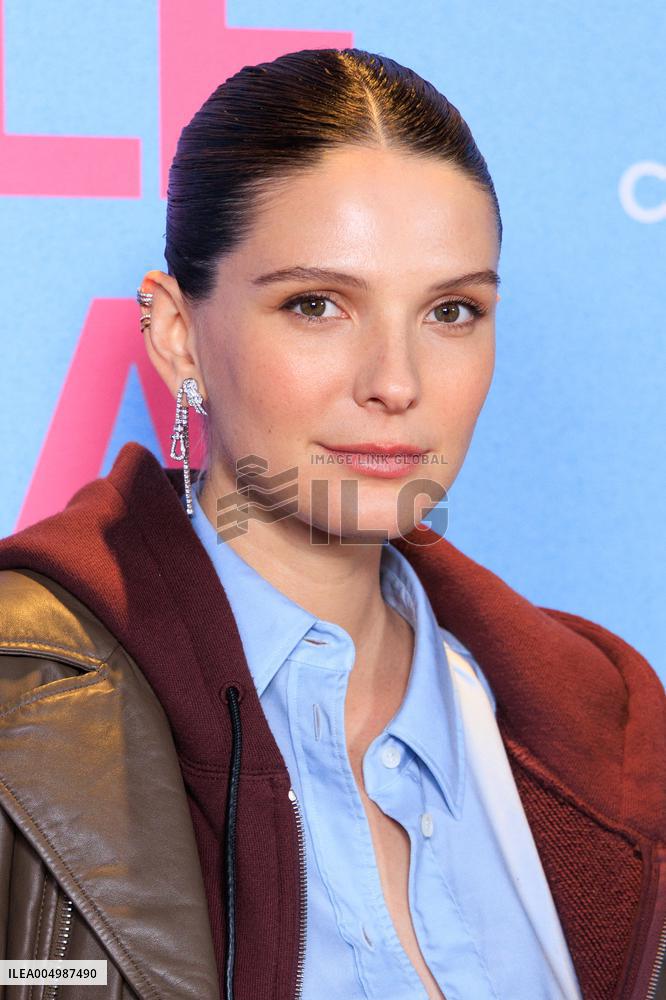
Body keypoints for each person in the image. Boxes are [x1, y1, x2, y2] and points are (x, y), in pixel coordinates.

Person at [0, 47, 663, 1000]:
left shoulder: (607, 723)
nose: (396, 382)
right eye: (317, 305)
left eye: (451, 310)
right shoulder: (22, 708)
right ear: (178, 334)